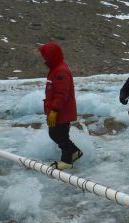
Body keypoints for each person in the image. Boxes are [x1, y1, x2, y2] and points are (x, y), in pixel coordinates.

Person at [39, 41, 82, 170]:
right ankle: (74, 152)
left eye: (45, 56)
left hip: (62, 112)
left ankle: (67, 161)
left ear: (51, 56)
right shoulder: (55, 68)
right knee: (56, 134)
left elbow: (62, 94)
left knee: (60, 135)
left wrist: (54, 111)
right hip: (58, 111)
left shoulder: (61, 71)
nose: (44, 58)